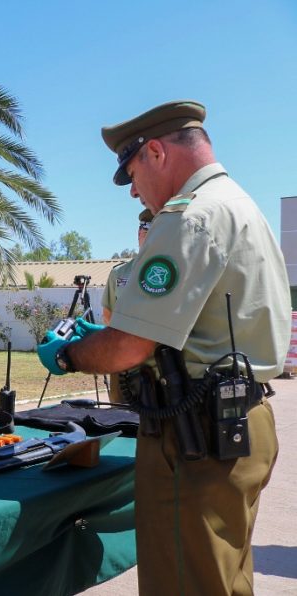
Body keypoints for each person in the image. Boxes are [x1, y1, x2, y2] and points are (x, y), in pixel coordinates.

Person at [37, 100, 289, 595]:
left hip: (195, 439)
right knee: (221, 580)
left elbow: (128, 347)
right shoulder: (241, 206)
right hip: (237, 422)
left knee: (183, 583)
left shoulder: (190, 218)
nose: (133, 189)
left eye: (131, 172)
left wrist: (69, 354)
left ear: (155, 152)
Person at [101, 209, 151, 403]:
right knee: (120, 414)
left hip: (160, 364)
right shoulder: (120, 273)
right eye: (143, 229)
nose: (143, 233)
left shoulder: (173, 270)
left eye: (151, 229)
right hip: (123, 362)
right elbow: (108, 313)